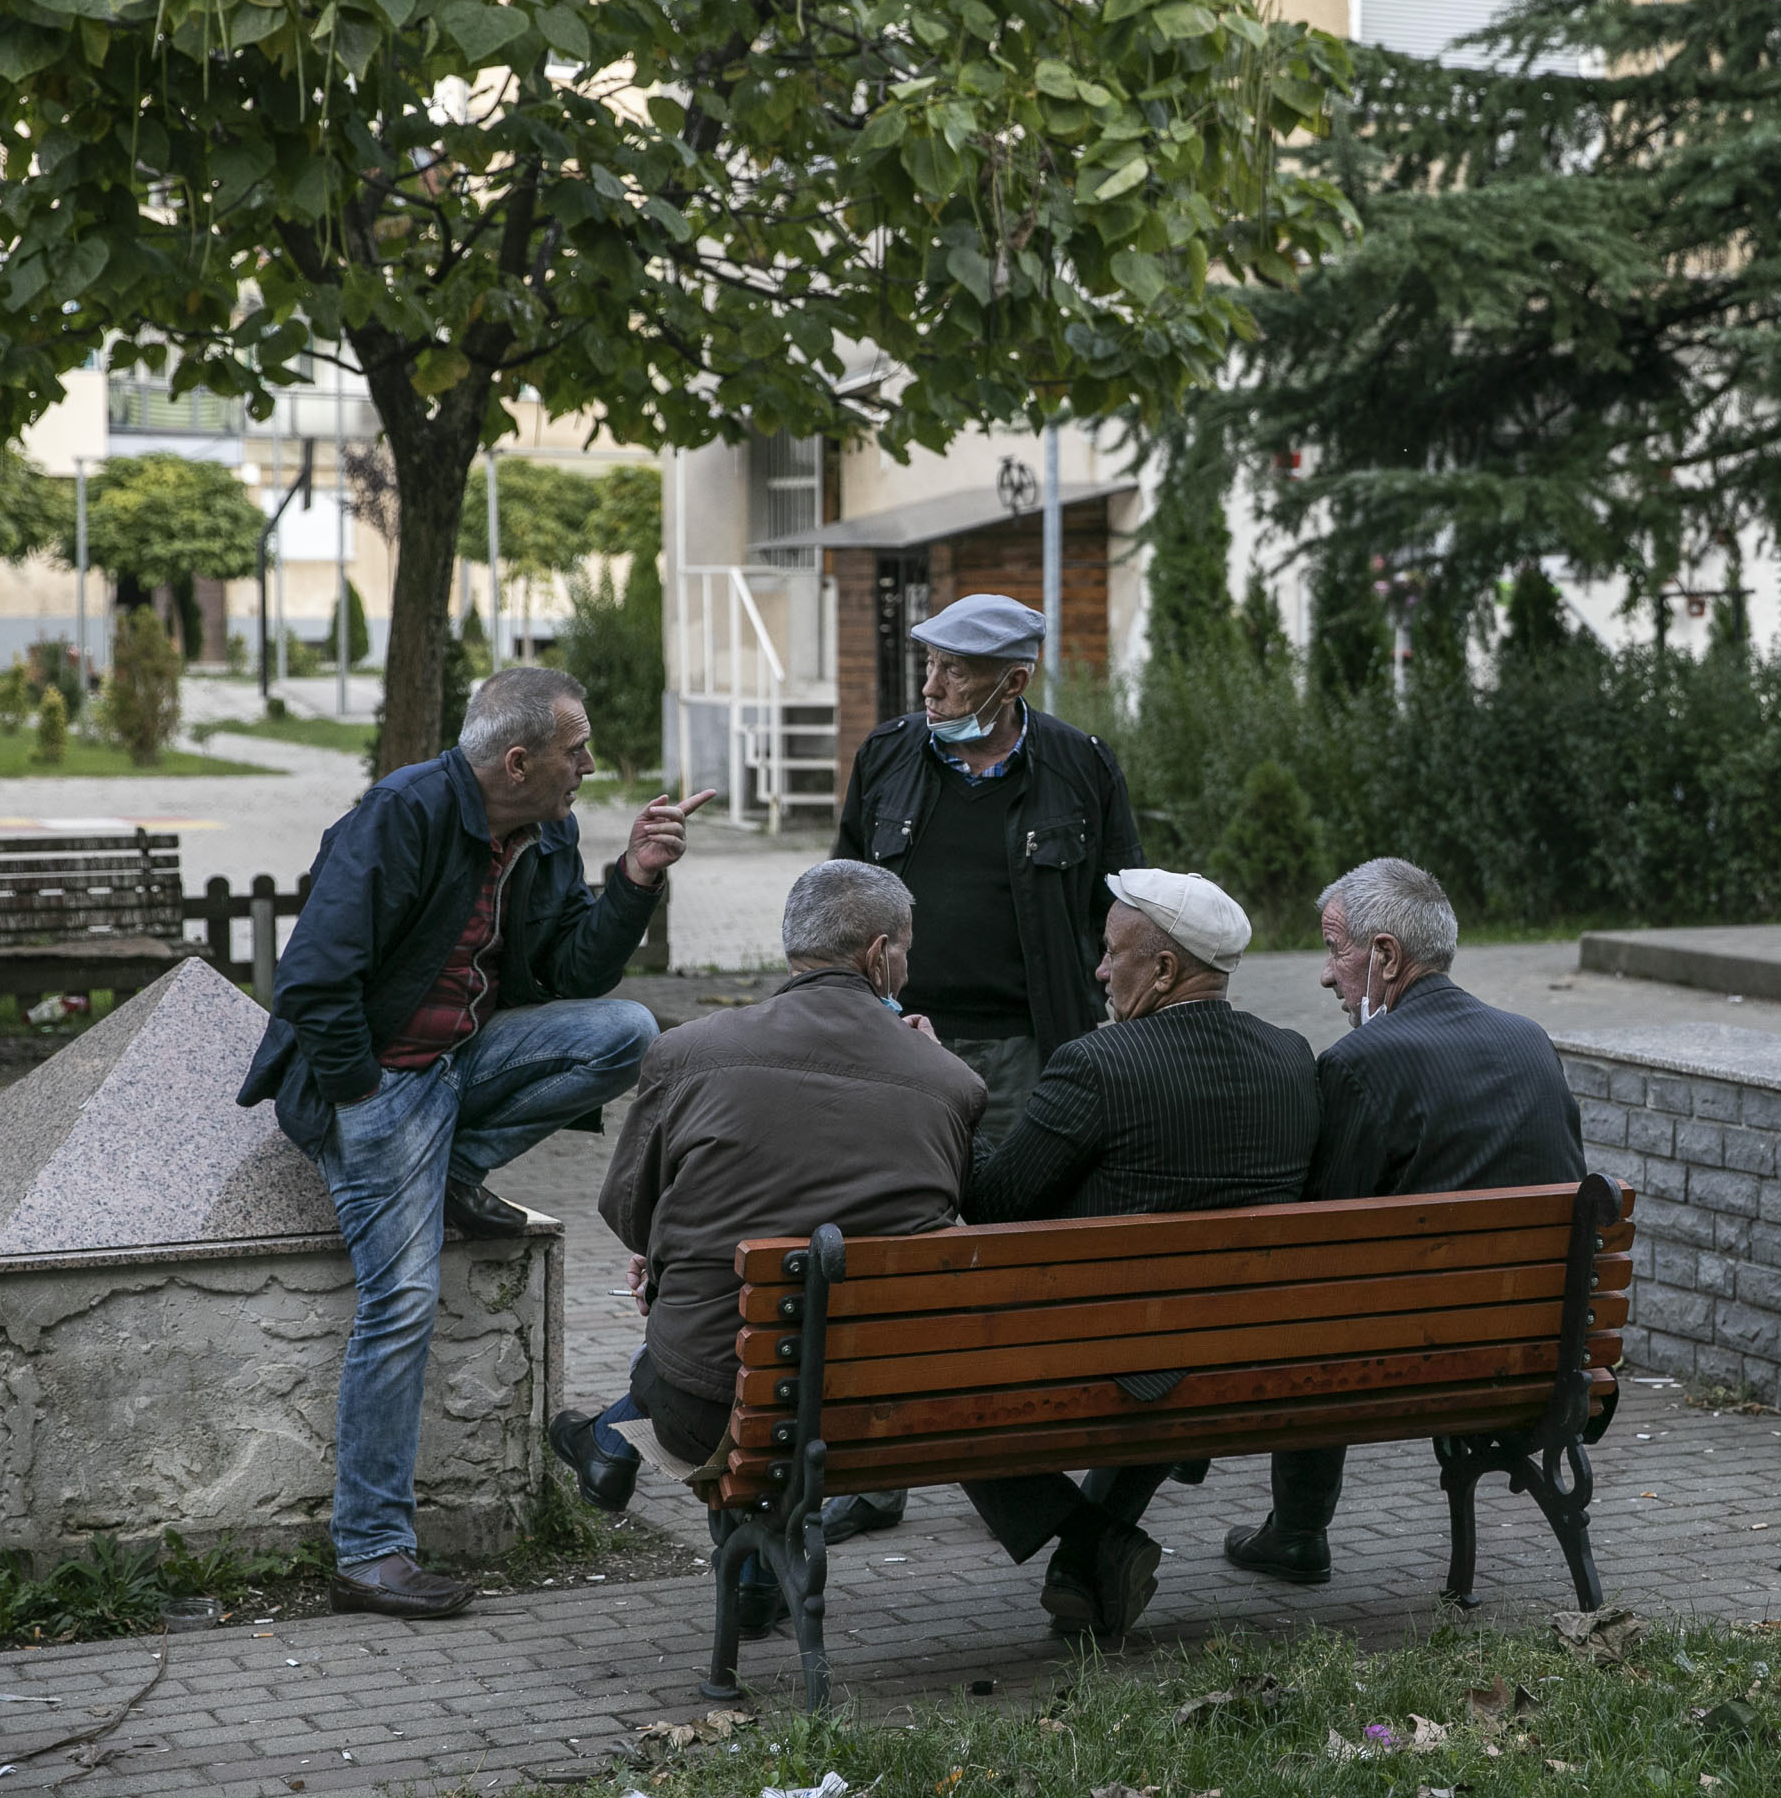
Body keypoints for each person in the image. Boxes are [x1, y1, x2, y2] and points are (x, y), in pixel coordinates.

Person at [238, 667, 712, 1620]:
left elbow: (571, 967)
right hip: (381, 1081)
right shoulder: (404, 814)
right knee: (402, 1299)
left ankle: (447, 1167)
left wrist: (633, 880)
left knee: (626, 1033)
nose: (590, 766)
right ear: (519, 758)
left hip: (460, 1062)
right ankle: (369, 1550)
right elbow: (312, 981)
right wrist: (365, 1100)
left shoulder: (545, 830)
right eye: (577, 751)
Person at [547, 860, 987, 1630]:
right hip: (881, 1403)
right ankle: (740, 1571)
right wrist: (933, 1061)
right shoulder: (951, 1081)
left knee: (706, 1345)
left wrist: (668, 1248)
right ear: (881, 955)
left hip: (716, 1404)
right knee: (764, 1346)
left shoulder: (688, 1051)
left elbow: (625, 1209)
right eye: (907, 951)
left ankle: (623, 1454)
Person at [958, 869, 1317, 1639]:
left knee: (939, 1366)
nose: (1097, 969)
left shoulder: (1098, 1066)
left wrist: (952, 1089)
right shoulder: (1292, 1057)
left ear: (1162, 971)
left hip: (1123, 1352)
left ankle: (1092, 1540)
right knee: (1167, 1334)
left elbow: (994, 1206)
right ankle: (1091, 1566)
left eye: (1111, 952)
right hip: (1256, 1350)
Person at [1222, 857, 1586, 1585]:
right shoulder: (1529, 1039)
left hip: (1399, 1368)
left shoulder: (1360, 1062)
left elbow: (1318, 1238)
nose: (1327, 975)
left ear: (1386, 955)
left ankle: (1297, 1533)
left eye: (1335, 950)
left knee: (1311, 1313)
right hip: (1539, 1359)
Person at [831, 592, 1141, 1150]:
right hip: (901, 1035)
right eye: (929, 664)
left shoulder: (1080, 766)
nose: (930, 687)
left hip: (1030, 1048)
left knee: (1016, 1219)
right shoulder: (884, 755)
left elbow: (1123, 909)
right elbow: (840, 902)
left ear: (1013, 683)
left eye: (954, 670)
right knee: (905, 1205)